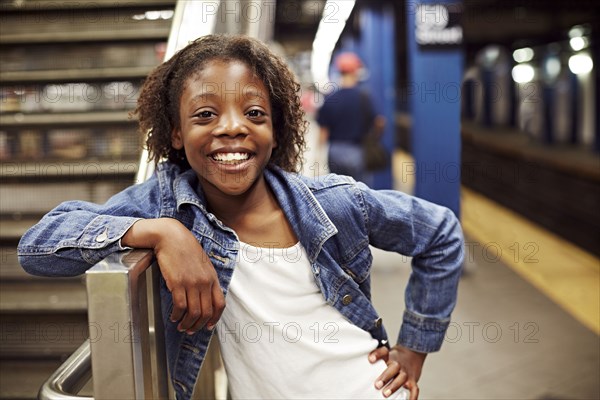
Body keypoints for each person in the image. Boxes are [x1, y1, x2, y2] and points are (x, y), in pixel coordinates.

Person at [18, 34, 463, 400]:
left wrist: (414, 350)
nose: (232, 127)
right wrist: (160, 232)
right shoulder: (166, 206)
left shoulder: (334, 203)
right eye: (206, 114)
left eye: (254, 113)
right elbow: (38, 247)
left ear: (276, 129)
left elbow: (441, 233)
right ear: (176, 132)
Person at [316, 51, 385, 185]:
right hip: (356, 151)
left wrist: (318, 158)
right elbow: (380, 122)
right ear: (356, 72)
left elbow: (323, 133)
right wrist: (374, 138)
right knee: (361, 195)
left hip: (334, 152)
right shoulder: (364, 98)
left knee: (339, 191)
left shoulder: (330, 99)